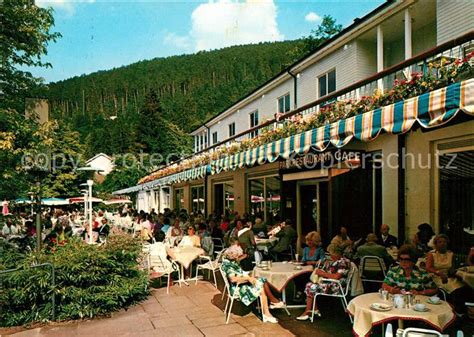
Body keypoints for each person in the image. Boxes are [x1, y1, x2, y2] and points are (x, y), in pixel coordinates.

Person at [221, 245, 284, 323]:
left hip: (241, 284)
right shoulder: (228, 265)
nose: (239, 258)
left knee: (262, 280)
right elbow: (233, 279)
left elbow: (238, 274)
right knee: (261, 287)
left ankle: (272, 302)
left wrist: (249, 274)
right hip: (238, 288)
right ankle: (267, 312)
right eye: (238, 256)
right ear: (233, 255)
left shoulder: (230, 261)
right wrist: (248, 278)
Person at [296, 244, 352, 320]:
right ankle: (314, 309)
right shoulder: (339, 261)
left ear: (336, 253)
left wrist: (322, 273)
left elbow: (336, 277)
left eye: (331, 254)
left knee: (310, 286)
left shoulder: (343, 262)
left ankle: (308, 311)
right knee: (311, 285)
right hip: (333, 283)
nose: (330, 256)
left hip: (337, 287)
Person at [426, 234, 473, 313]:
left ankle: (463, 310)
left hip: (449, 276)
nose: (442, 244)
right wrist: (438, 272)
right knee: (455, 290)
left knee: (465, 287)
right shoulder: (432, 254)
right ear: (436, 244)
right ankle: (454, 309)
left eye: (444, 242)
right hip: (436, 276)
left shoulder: (451, 254)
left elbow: (453, 268)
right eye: (440, 242)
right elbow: (428, 267)